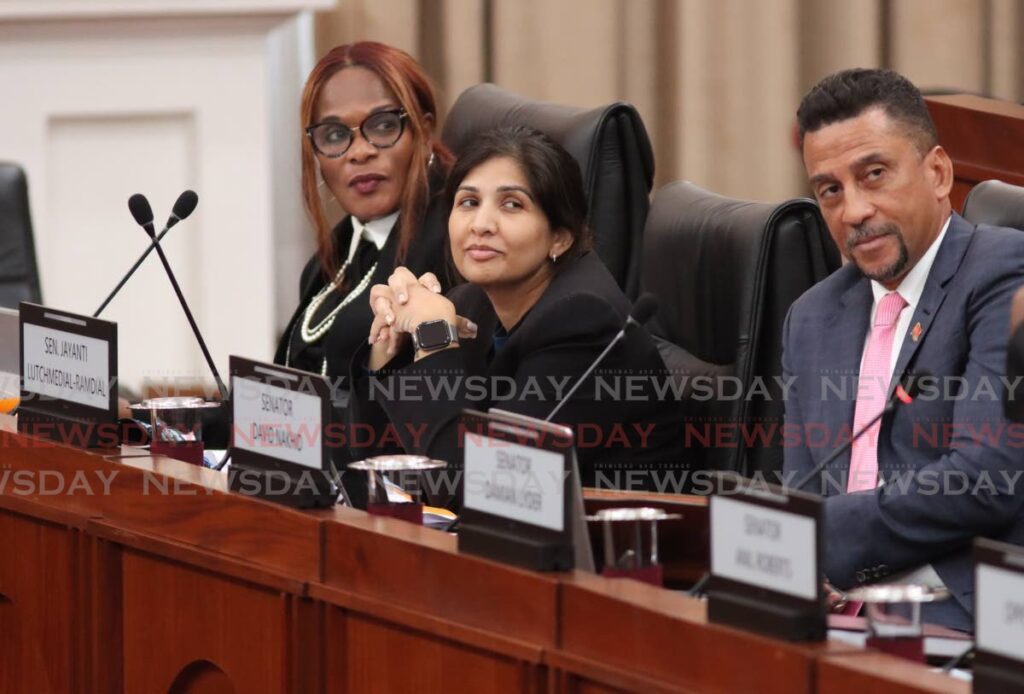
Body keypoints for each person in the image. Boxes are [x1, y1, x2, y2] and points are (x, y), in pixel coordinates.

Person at [782, 68, 1024, 631]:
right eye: (830, 191)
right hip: (838, 616)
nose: (855, 212)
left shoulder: (1003, 273)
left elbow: (982, 480)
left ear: (938, 172)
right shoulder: (813, 316)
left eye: (874, 175)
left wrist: (819, 539)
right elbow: (804, 484)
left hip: (963, 616)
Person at [349, 126, 683, 507]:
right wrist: (391, 348)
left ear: (560, 236)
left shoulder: (587, 325)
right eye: (468, 202)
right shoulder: (472, 304)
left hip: (615, 558)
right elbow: (373, 463)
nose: (481, 224)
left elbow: (481, 488)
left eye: (512, 205)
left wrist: (434, 337)